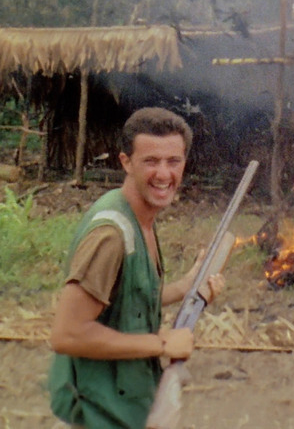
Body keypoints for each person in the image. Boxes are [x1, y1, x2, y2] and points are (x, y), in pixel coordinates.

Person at [48, 107, 225, 429]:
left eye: (174, 161)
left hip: (123, 408)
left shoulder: (140, 219)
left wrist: (187, 287)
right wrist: (161, 343)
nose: (164, 174)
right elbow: (67, 335)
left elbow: (128, 302)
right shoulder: (111, 235)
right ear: (125, 162)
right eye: (151, 161)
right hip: (95, 414)